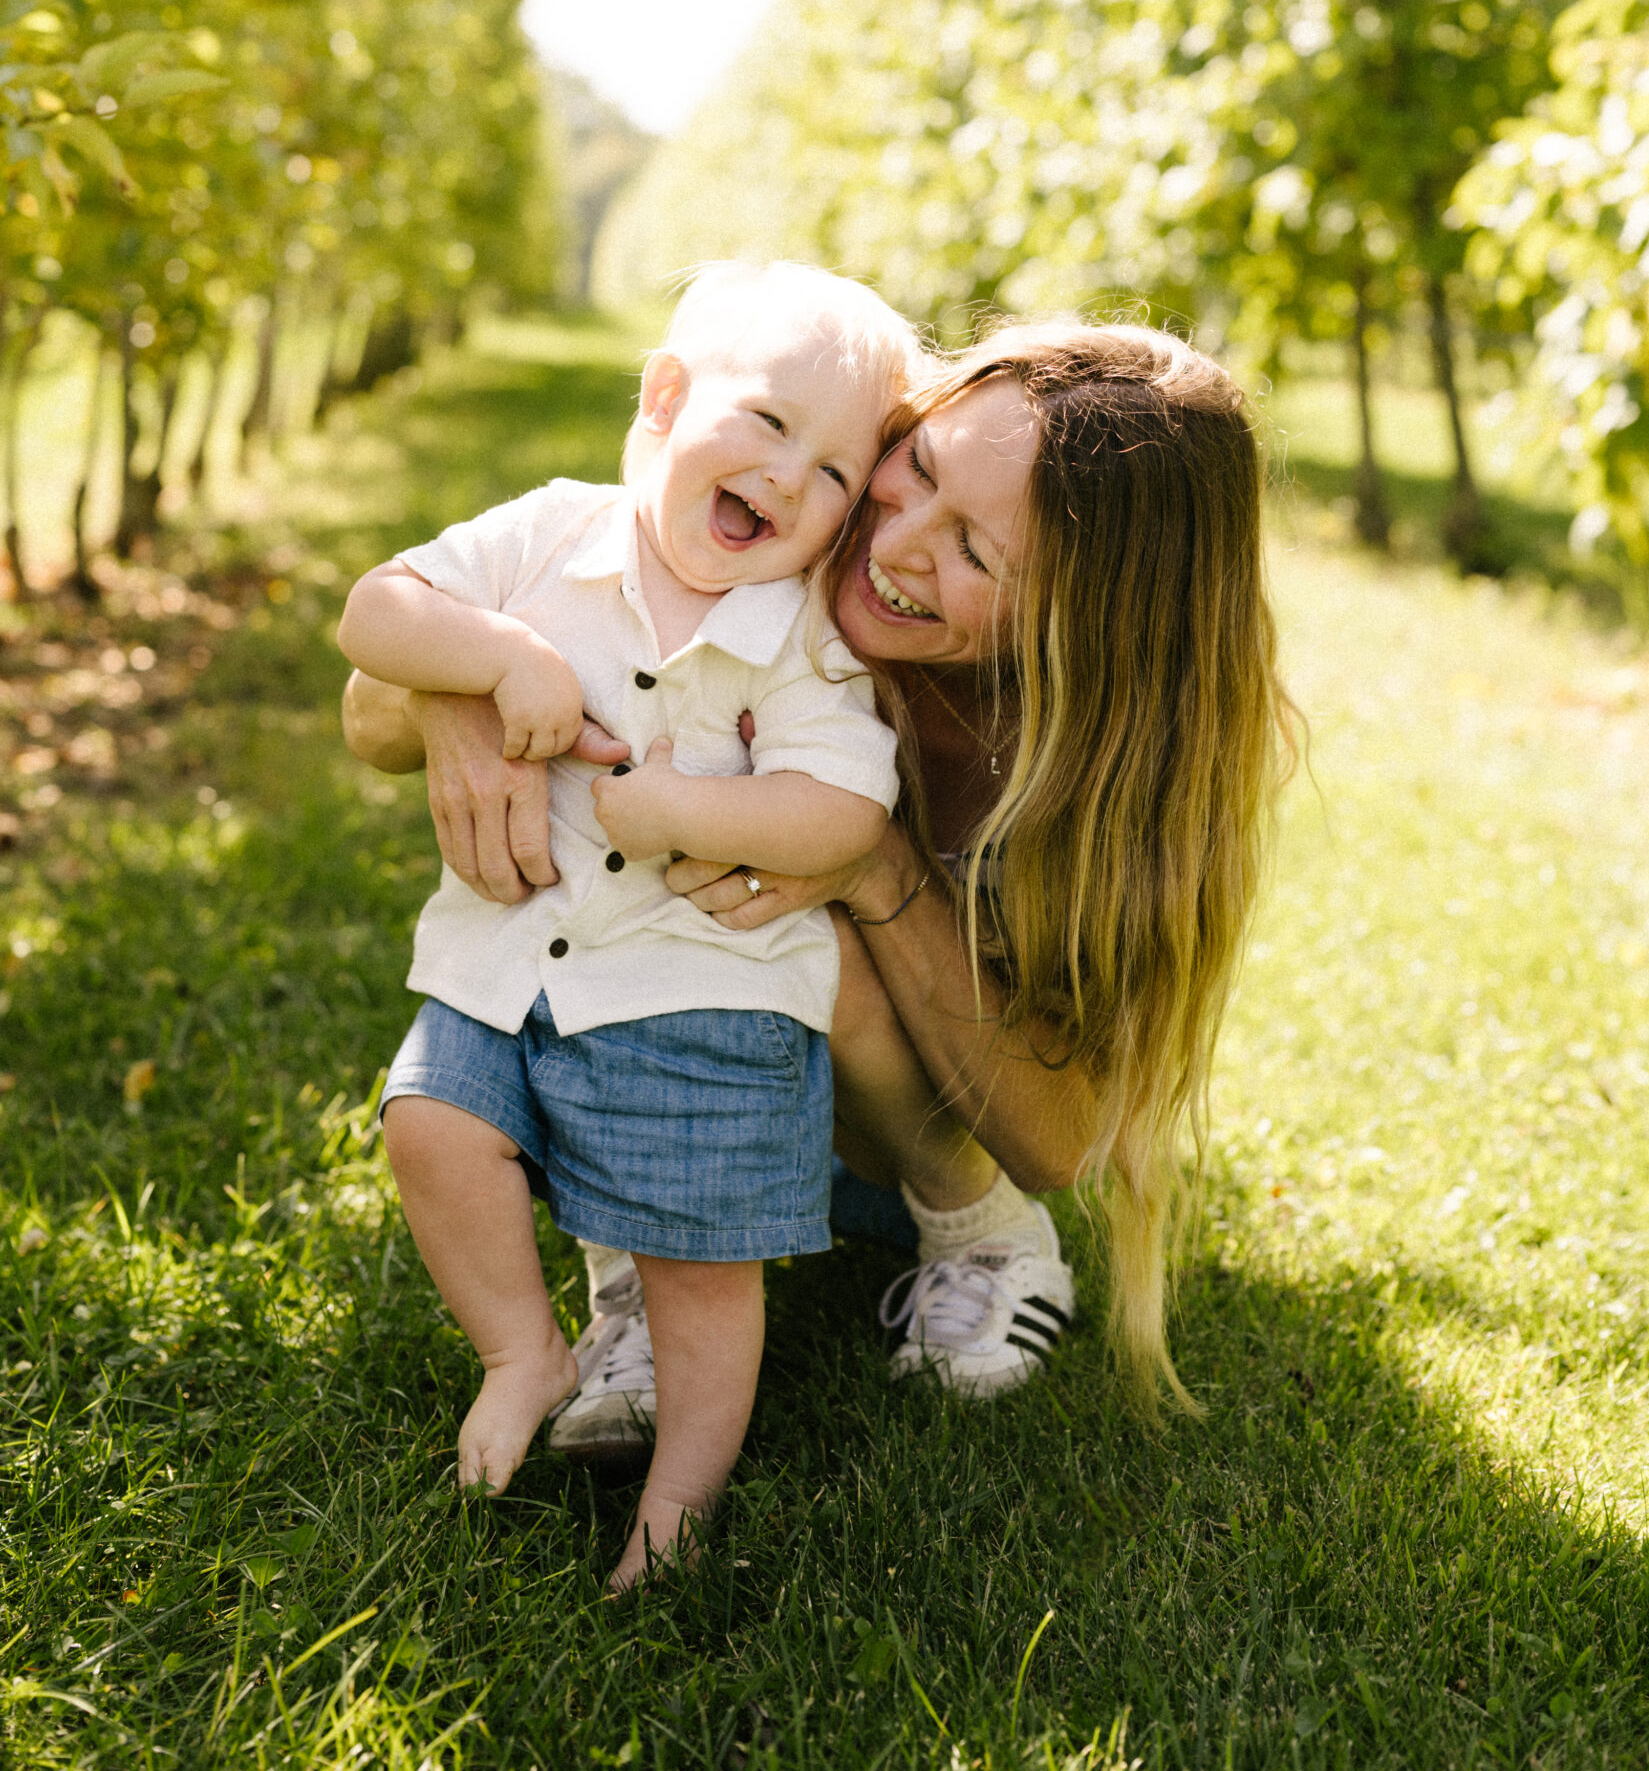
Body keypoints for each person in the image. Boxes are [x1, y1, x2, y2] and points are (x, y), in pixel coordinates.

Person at [344, 313, 1290, 1438]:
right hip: (669, 1071)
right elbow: (372, 707)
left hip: (895, 1127)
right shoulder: (793, 513)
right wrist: (467, 689)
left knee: (803, 924)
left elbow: (1058, 1136)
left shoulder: (1125, 759)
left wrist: (868, 859)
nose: (896, 545)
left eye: (976, 554)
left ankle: (974, 1232)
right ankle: (641, 1268)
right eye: (917, 468)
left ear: (1079, 622)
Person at [337, 262, 922, 1590]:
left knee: (700, 1267)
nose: (790, 479)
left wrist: (680, 808)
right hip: (508, 966)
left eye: (834, 473)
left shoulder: (797, 641)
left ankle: (681, 1507)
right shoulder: (550, 535)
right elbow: (374, 611)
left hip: (696, 994)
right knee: (428, 1121)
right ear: (666, 398)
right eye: (766, 424)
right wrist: (493, 657)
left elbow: (843, 811)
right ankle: (522, 1352)